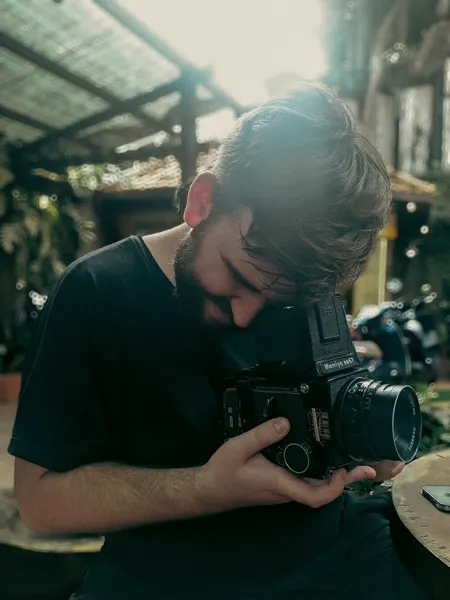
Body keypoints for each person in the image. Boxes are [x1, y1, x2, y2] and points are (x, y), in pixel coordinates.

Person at [9, 84, 430, 599]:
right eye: (239, 277)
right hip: (171, 577)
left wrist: (356, 442)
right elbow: (39, 502)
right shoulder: (97, 291)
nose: (246, 313)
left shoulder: (305, 285)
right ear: (203, 201)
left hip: (338, 551)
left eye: (279, 299)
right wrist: (206, 489)